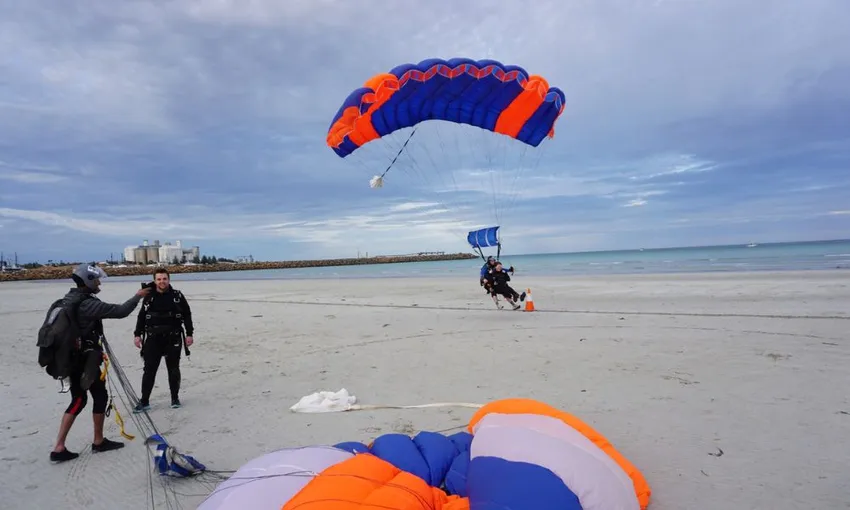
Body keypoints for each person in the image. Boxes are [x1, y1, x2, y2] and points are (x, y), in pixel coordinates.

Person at [50, 263, 151, 463]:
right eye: (96, 280)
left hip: (77, 358)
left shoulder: (67, 300)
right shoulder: (87, 304)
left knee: (99, 395)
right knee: (79, 400)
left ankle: (98, 440)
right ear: (87, 281)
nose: (99, 283)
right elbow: (121, 311)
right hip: (81, 361)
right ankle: (60, 447)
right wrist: (138, 295)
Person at [133, 267, 194, 412]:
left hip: (173, 338)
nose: (162, 282)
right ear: (155, 280)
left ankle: (175, 398)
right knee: (149, 371)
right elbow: (141, 316)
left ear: (169, 279)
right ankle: (144, 401)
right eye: (159, 279)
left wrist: (189, 334)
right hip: (153, 339)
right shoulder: (148, 297)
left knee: (173, 370)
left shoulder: (177, 296)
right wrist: (137, 334)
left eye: (164, 279)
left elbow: (187, 315)